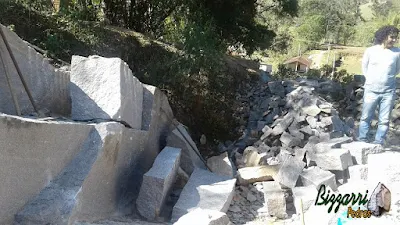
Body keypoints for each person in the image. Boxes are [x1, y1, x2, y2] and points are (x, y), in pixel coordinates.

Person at [358, 25, 400, 146]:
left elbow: (397, 70)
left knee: (384, 120)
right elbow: (364, 68)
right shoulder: (370, 51)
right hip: (371, 90)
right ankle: (362, 140)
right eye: (392, 37)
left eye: (396, 38)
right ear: (383, 36)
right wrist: (371, 80)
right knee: (366, 117)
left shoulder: (397, 53)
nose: (394, 40)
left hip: (388, 91)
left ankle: (378, 142)